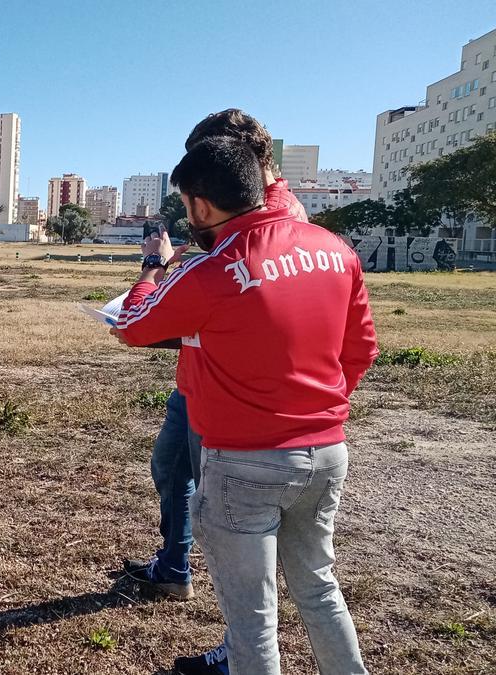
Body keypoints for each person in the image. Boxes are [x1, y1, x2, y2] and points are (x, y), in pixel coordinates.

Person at [116, 137, 376, 675]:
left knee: (253, 623)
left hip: (241, 461)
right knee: (319, 588)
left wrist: (150, 268)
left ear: (200, 205)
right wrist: (312, 408)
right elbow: (360, 348)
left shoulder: (214, 268)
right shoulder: (335, 249)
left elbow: (134, 327)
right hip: (327, 451)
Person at [120, 109, 310, 607]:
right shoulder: (237, 216)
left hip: (232, 392)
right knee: (171, 467)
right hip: (198, 372)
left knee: (225, 508)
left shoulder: (278, 217)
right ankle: (174, 565)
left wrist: (156, 268)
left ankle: (240, 635)